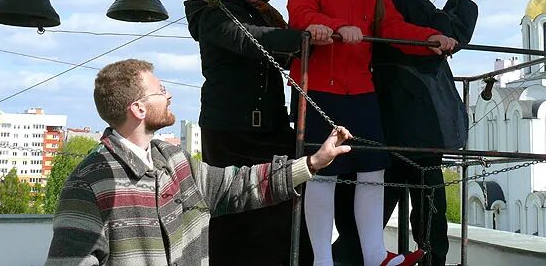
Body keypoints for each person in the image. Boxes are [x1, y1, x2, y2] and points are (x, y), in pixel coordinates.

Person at [45, 59, 352, 266]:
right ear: (138, 108)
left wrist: (312, 162)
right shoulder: (90, 184)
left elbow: (240, 185)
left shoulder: (173, 160)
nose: (169, 96)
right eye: (161, 91)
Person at [287, 0, 458, 266]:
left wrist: (427, 39)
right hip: (320, 84)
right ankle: (321, 260)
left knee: (373, 167)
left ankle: (375, 255)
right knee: (323, 173)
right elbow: (300, 13)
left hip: (360, 85)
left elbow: (388, 25)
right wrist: (335, 27)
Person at [185, 0, 328, 265]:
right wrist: (304, 36)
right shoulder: (214, 14)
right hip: (231, 133)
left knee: (282, 209)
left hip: (268, 129)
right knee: (236, 210)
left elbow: (284, 50)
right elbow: (251, 40)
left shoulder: (263, 13)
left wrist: (313, 34)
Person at [374, 0, 478, 266]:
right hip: (416, 116)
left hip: (385, 116)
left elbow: (430, 26)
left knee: (380, 198)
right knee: (429, 199)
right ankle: (433, 261)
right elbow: (452, 33)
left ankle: (356, 254)